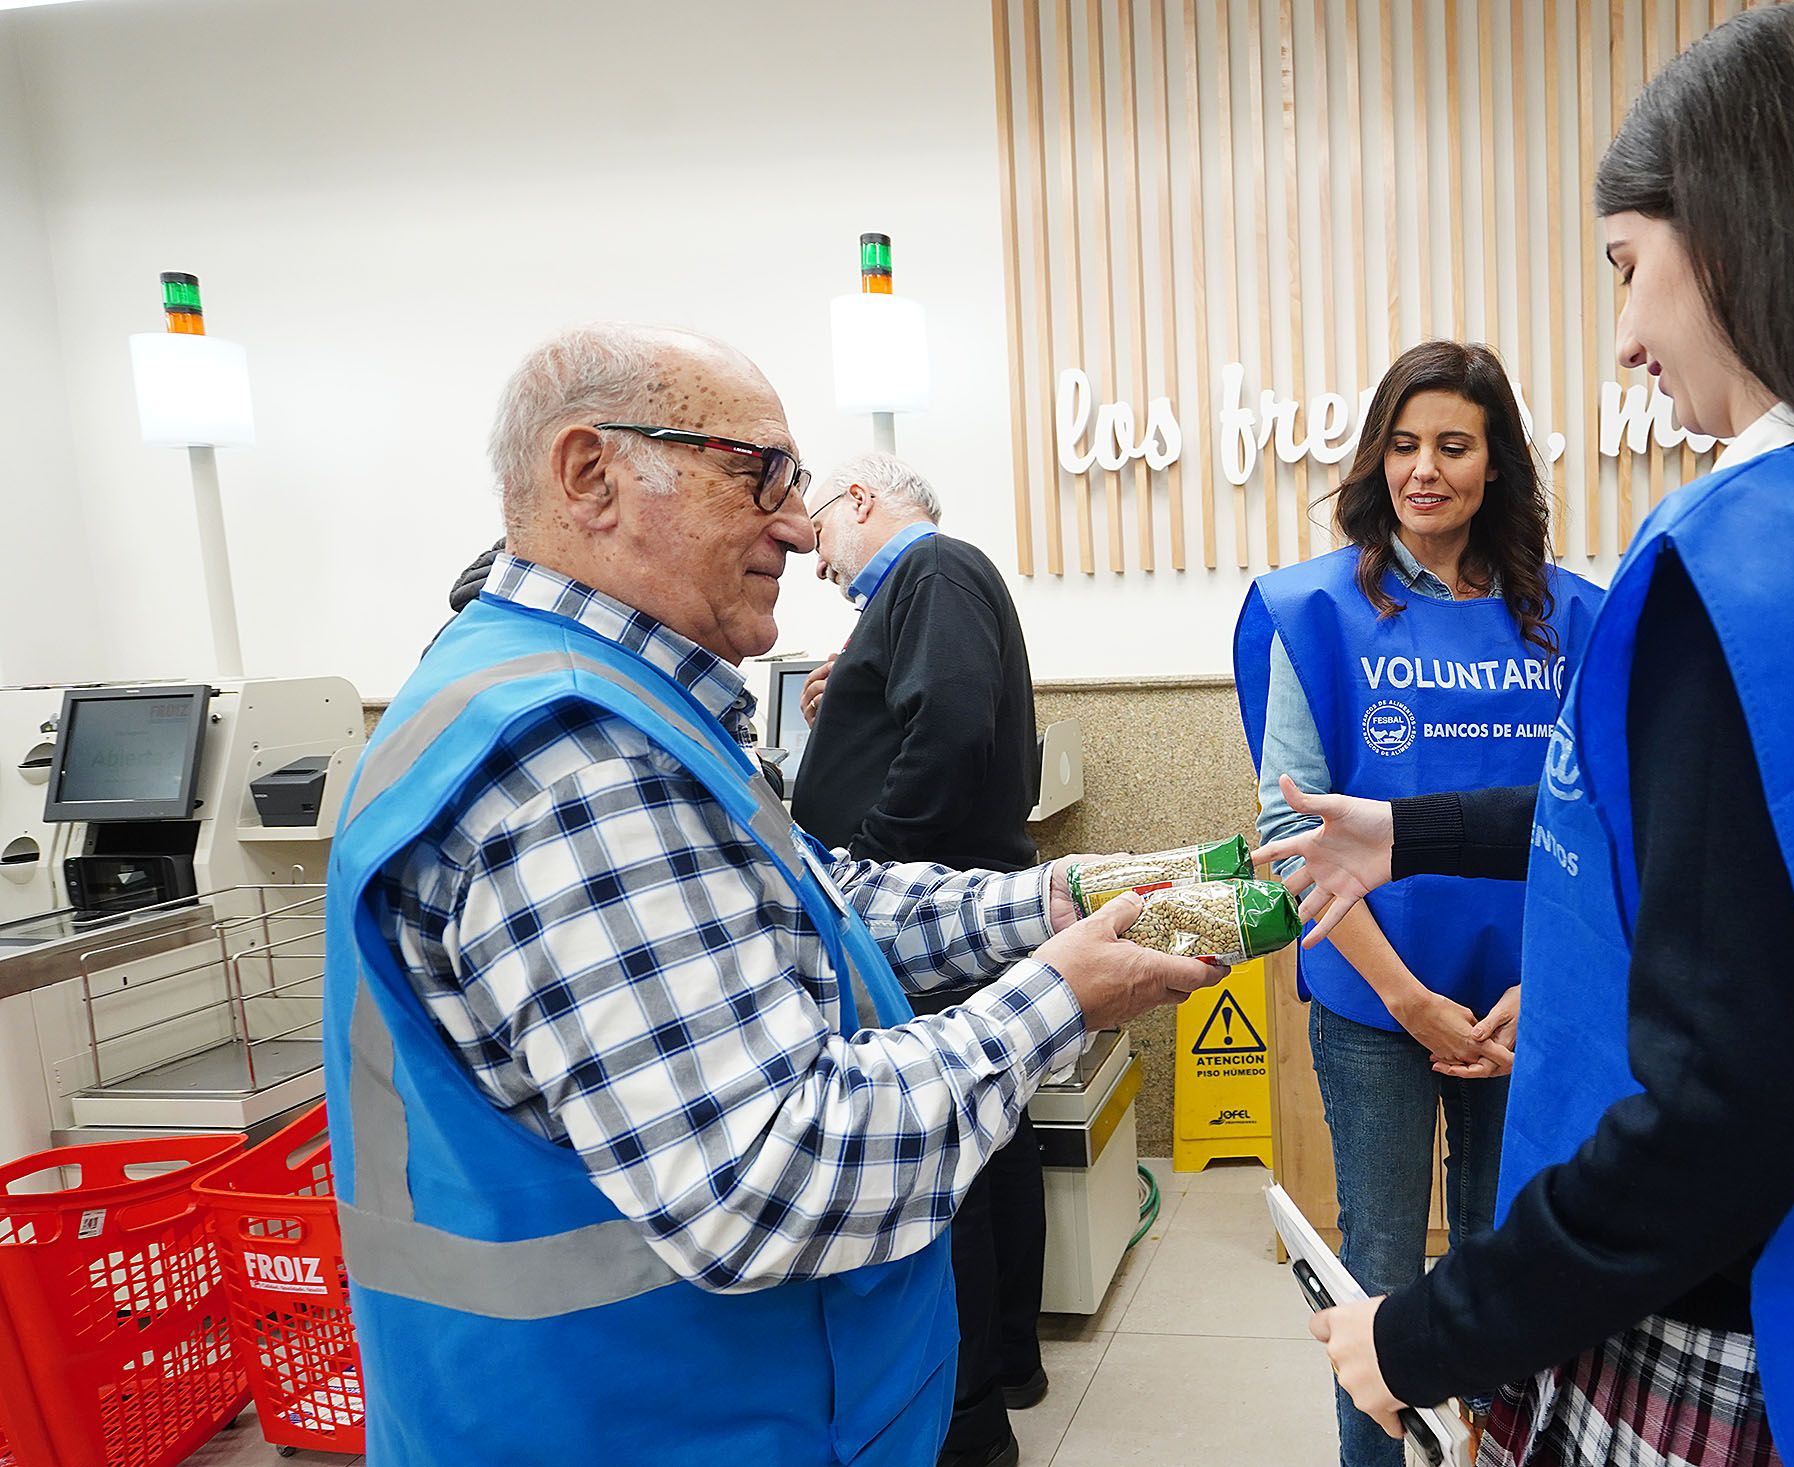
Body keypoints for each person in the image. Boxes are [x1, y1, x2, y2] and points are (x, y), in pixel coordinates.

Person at [1267, 9, 1794, 1465]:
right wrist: (1405, 828)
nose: (1623, 340)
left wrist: (1425, 1328)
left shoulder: (1729, 570)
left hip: (1739, 1339)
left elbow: (1722, 1111)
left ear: (1732, 240)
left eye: (1627, 267)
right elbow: (1722, 845)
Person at [323, 323, 1216, 1467]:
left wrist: (1047, 903)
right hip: (648, 1422)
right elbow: (769, 1168)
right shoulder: (572, 762)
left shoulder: (608, 701)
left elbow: (813, 905)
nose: (798, 528)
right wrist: (1056, 998)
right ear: (589, 473)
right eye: (759, 474)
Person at [1232, 339, 1602, 1467]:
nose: (1423, 469)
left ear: (1497, 468)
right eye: (1402, 445)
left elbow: (1598, 835)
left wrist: (1542, 992)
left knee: (1506, 1267)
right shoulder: (1309, 612)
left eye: (1452, 444)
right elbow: (1292, 840)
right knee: (1380, 1271)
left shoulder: (1573, 620)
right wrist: (1409, 1003)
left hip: (1525, 1008)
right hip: (1373, 1002)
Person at [798, 451, 1049, 1467]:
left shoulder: (934, 571)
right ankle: (1006, 1368)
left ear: (859, 500)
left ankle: (975, 1405)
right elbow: (920, 713)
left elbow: (947, 730)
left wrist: (866, 863)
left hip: (926, 914)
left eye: (813, 531)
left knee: (958, 1167)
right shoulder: (912, 592)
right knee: (990, 1143)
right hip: (945, 904)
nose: (809, 561)